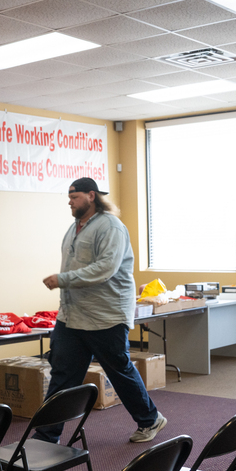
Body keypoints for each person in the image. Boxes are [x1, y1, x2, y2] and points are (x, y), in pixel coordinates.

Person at [40, 177, 166, 443]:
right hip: (73, 317)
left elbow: (105, 269)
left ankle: (150, 419)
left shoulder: (111, 227)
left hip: (105, 316)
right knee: (62, 375)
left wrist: (61, 280)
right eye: (69, 197)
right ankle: (46, 436)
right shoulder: (75, 228)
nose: (70, 202)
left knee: (118, 370)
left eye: (74, 197)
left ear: (91, 196)